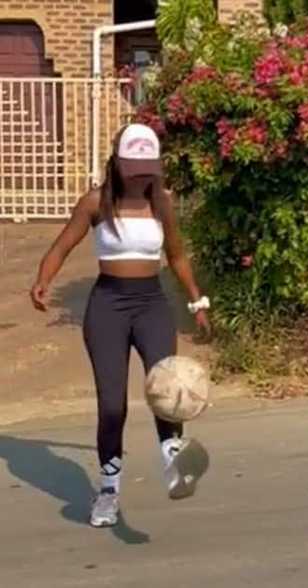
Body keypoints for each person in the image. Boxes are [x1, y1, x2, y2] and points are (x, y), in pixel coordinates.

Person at [30, 123, 213, 528]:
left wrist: (197, 300)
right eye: (135, 167)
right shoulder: (95, 203)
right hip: (108, 306)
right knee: (112, 406)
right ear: (118, 163)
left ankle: (173, 462)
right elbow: (62, 245)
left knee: (169, 388)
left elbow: (178, 256)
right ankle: (108, 492)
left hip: (151, 304)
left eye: (149, 167)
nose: (143, 175)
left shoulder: (162, 202)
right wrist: (44, 280)